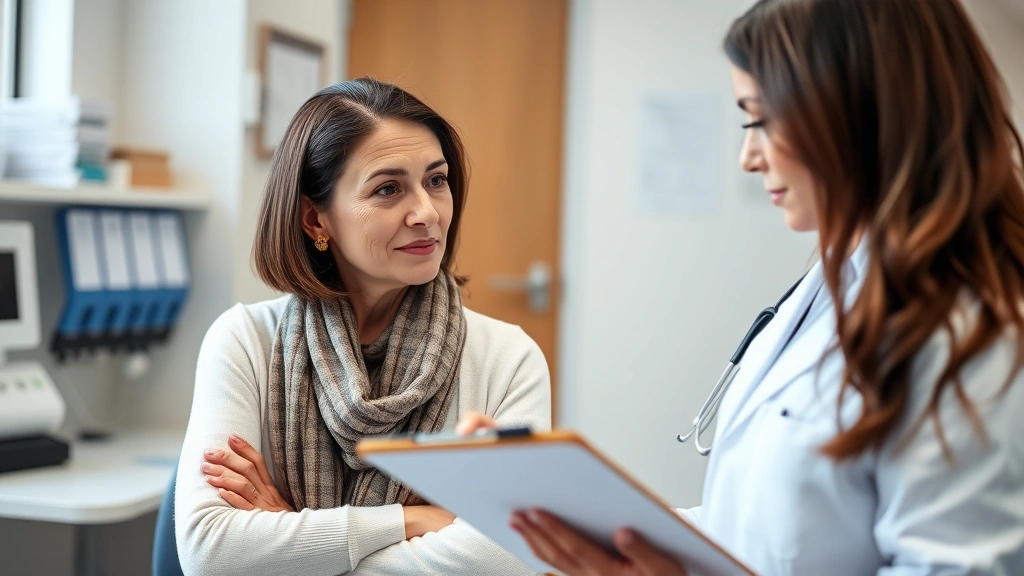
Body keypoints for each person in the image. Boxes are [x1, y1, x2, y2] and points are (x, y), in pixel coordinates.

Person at [459, 0, 1024, 573]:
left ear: (858, 112)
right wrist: (591, 519)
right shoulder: (832, 285)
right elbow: (755, 526)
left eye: (760, 120)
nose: (747, 158)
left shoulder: (969, 331)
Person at [173, 77, 550, 576]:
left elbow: (511, 554)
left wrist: (294, 539)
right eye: (388, 189)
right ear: (315, 220)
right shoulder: (245, 342)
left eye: (437, 180)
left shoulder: (508, 359)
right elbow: (211, 552)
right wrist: (412, 520)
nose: (427, 212)